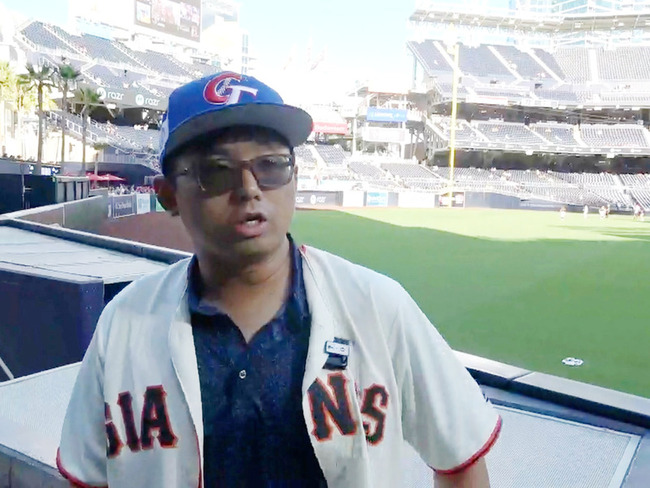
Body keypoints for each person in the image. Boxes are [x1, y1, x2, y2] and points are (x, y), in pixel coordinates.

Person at [57, 72, 501, 488]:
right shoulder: (123, 323)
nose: (250, 188)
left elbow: (462, 458)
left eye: (271, 165)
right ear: (168, 195)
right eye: (216, 170)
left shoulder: (378, 306)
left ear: (294, 178)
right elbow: (86, 478)